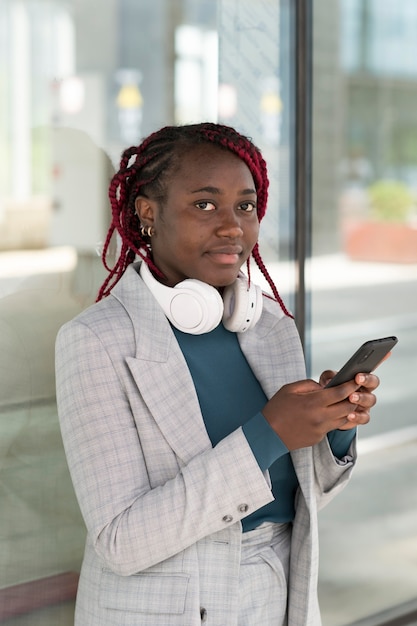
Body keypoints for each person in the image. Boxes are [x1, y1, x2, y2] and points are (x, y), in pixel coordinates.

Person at [55, 122, 379, 626]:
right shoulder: (96, 341)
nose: (233, 226)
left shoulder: (270, 325)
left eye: (245, 206)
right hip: (169, 607)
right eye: (205, 205)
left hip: (278, 591)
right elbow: (121, 541)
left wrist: (331, 432)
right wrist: (267, 433)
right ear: (147, 214)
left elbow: (300, 496)